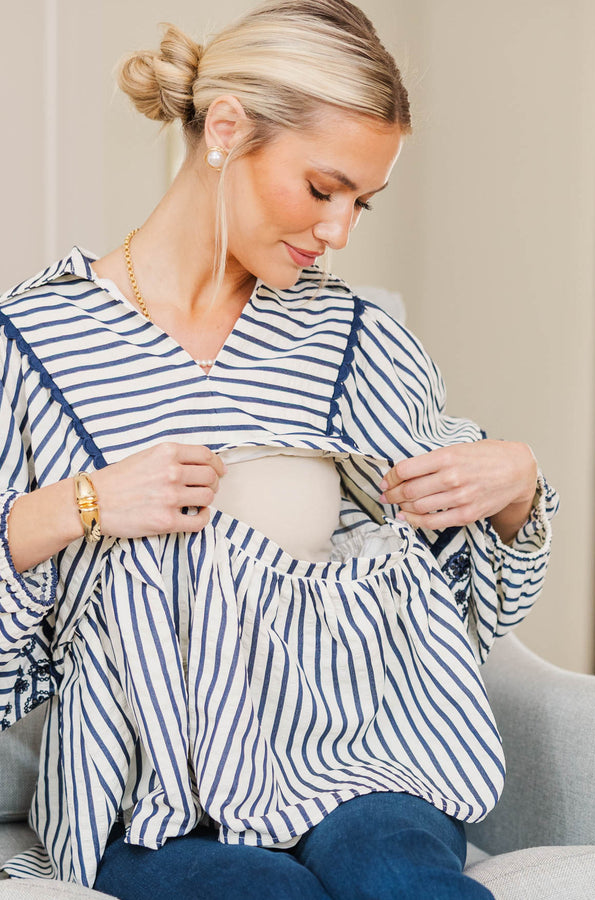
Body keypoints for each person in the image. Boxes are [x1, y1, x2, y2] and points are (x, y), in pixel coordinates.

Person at [0, 1, 557, 898]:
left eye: (361, 203)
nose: (338, 232)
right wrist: (83, 504)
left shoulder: (356, 337)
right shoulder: (37, 342)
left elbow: (457, 613)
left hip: (355, 752)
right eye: (322, 189)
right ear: (226, 128)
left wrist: (510, 494)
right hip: (150, 785)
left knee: (403, 879)